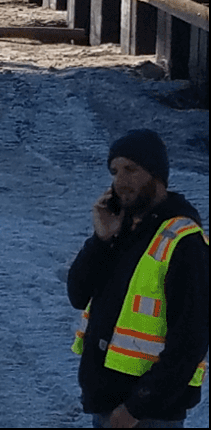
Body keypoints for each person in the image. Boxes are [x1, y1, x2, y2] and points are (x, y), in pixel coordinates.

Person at [68, 128, 209, 428]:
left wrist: (135, 409)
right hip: (108, 405)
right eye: (115, 171)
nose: (120, 182)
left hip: (147, 414)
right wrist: (101, 240)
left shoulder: (183, 241)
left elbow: (190, 341)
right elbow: (77, 294)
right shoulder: (120, 232)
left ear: (157, 175)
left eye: (131, 170)